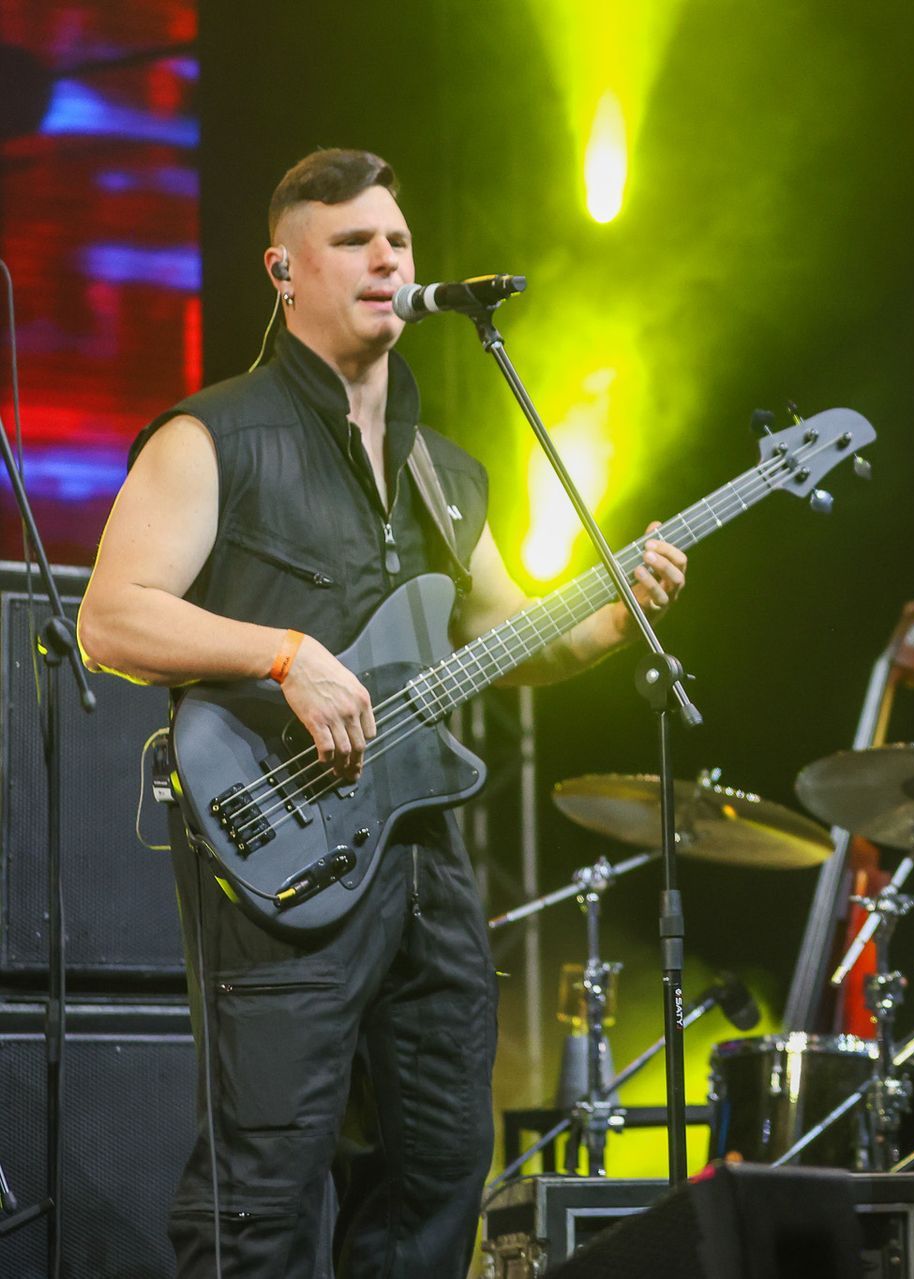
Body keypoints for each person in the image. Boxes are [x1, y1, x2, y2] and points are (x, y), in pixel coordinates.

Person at [77, 148, 687, 1277]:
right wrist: (283, 655)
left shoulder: (443, 467)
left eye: (398, 240)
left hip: (421, 864)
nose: (388, 258)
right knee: (263, 1189)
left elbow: (510, 637)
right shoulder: (213, 437)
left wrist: (606, 619)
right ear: (284, 270)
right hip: (281, 854)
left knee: (438, 1169)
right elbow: (111, 619)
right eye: (355, 241)